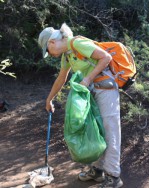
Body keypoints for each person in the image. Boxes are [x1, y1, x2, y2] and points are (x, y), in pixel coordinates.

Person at [38, 23, 123, 188]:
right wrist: (49, 99)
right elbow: (61, 78)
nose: (51, 55)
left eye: (48, 51)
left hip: (105, 89)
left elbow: (106, 57)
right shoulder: (68, 54)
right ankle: (97, 170)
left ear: (52, 42)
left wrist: (87, 79)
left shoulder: (77, 43)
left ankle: (114, 177)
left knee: (110, 130)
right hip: (91, 92)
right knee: (95, 129)